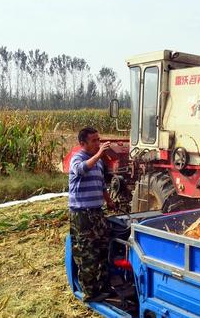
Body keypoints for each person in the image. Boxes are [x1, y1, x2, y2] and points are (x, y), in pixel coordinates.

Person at [69, 126, 116, 302]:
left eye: (99, 139)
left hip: (97, 212)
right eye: (94, 141)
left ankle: (103, 287)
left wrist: (109, 200)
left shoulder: (98, 162)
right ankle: (90, 293)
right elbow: (81, 169)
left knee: (103, 250)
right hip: (82, 215)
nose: (98, 143)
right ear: (83, 143)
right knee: (87, 253)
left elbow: (101, 184)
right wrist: (98, 156)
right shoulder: (78, 158)